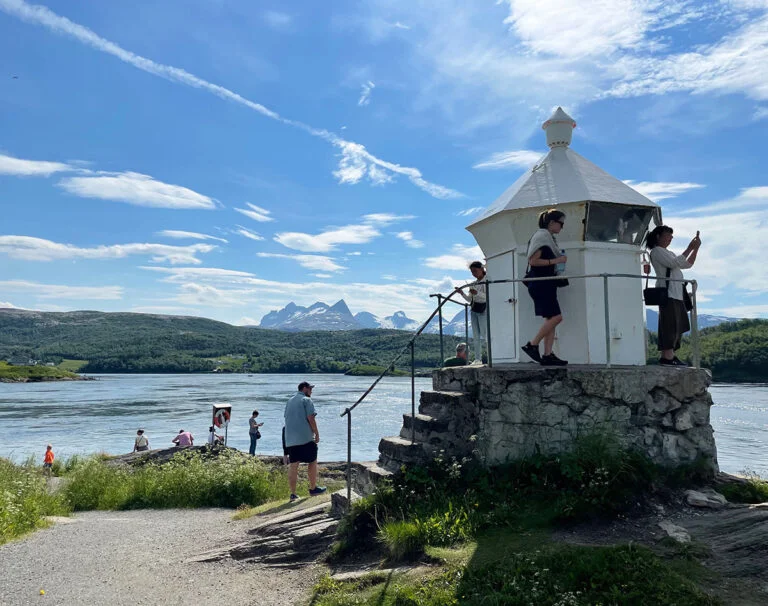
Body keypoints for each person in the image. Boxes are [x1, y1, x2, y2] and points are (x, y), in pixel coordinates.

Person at [645, 225, 701, 366]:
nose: (670, 238)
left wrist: (695, 248)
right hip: (668, 293)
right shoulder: (657, 251)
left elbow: (687, 264)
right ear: (658, 236)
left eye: (671, 236)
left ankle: (670, 356)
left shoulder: (667, 252)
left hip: (676, 293)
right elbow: (674, 263)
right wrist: (690, 247)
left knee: (677, 324)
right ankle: (667, 357)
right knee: (670, 324)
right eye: (667, 235)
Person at [521, 209, 568, 366]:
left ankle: (548, 355)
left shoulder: (547, 237)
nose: (562, 226)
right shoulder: (542, 236)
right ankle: (532, 344)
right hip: (542, 283)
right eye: (561, 223)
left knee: (551, 319)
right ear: (552, 222)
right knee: (557, 317)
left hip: (545, 283)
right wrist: (556, 261)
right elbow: (533, 261)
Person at [284, 381, 326, 502]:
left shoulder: (289, 401)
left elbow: (287, 419)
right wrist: (317, 433)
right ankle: (313, 488)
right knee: (312, 461)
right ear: (304, 389)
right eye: (310, 389)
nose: (311, 391)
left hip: (291, 439)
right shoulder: (306, 400)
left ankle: (293, 494)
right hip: (305, 438)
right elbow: (311, 418)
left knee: (293, 465)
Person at [456, 261, 487, 365]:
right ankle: (478, 359)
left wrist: (477, 293)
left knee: (485, 333)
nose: (474, 273)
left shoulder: (487, 281)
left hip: (484, 309)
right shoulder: (473, 284)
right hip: (474, 309)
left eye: (475, 271)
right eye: (472, 272)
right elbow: (470, 300)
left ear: (482, 269)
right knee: (476, 335)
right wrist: (462, 293)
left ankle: (491, 356)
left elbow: (488, 296)